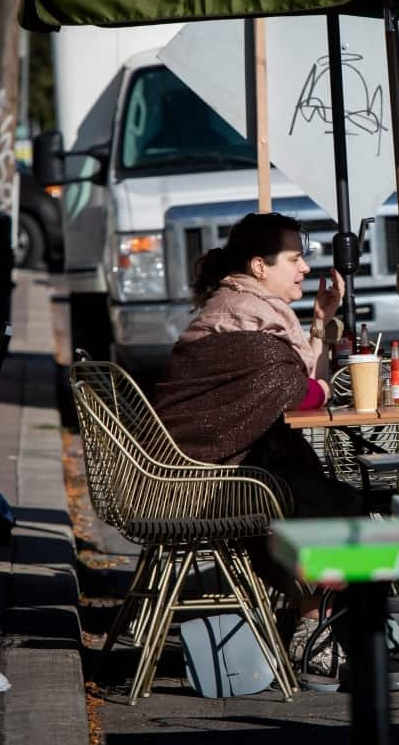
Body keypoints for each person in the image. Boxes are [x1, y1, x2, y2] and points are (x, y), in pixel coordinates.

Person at [152, 212, 360, 677]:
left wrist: (322, 319)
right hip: (200, 477)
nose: (305, 268)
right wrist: (326, 388)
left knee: (307, 489)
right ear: (260, 267)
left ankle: (316, 618)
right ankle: (317, 623)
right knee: (316, 497)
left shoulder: (246, 308)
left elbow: (298, 382)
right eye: (295, 258)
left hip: (209, 466)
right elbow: (302, 393)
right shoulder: (244, 317)